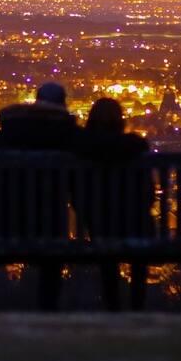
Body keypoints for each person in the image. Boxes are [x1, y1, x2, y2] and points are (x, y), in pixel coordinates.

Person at [0, 82, 80, 311]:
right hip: (46, 231)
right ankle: (48, 312)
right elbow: (78, 190)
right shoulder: (68, 142)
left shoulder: (0, 138)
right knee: (53, 253)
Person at [72, 98, 153, 311]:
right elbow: (148, 194)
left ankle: (112, 305)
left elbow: (76, 195)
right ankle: (137, 305)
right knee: (139, 252)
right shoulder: (136, 146)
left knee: (107, 254)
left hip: (99, 224)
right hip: (135, 224)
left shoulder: (81, 148)